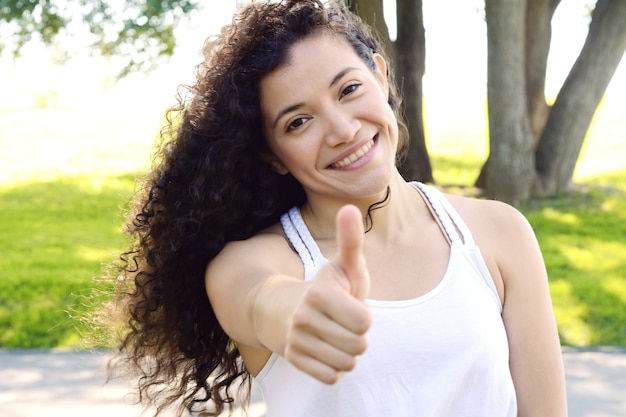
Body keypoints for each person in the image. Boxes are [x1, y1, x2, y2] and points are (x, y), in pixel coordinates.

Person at [105, 0, 568, 416]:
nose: (343, 129)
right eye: (299, 121)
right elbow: (261, 300)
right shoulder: (253, 264)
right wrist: (295, 310)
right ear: (272, 155)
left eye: (348, 89)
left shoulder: (499, 233)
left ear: (381, 76)